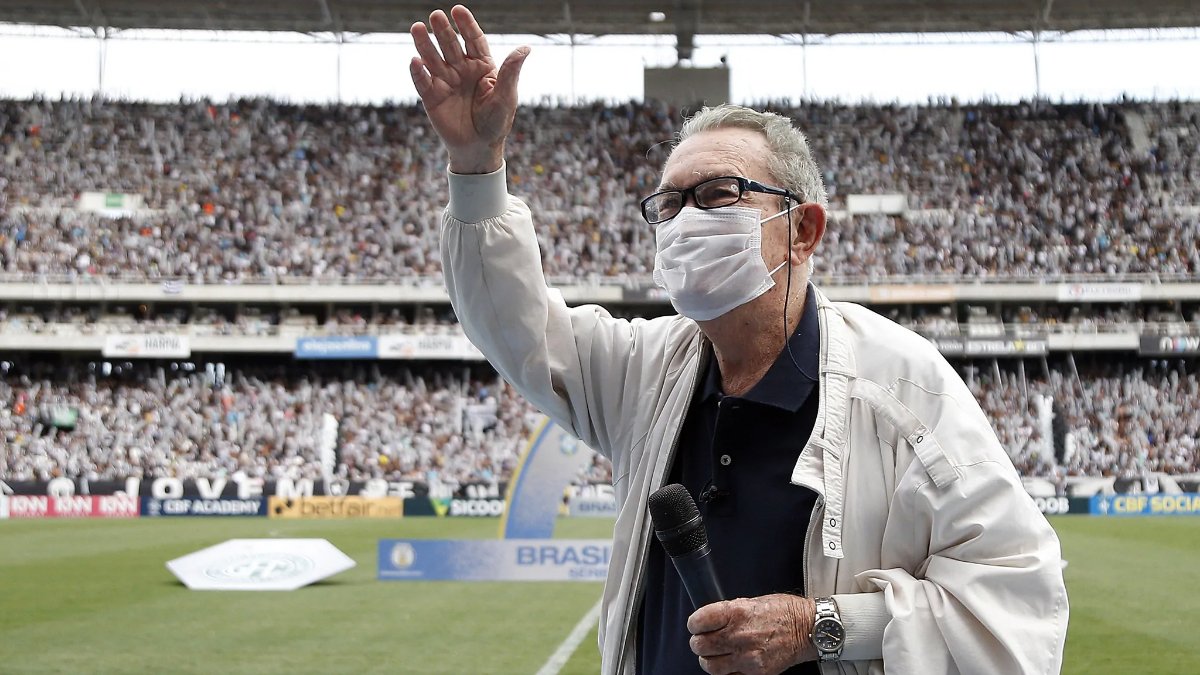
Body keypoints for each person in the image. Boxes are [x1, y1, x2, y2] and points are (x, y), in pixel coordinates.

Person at [410, 6, 1069, 674]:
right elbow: (515, 328)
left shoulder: (903, 385)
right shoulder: (646, 370)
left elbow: (1018, 605)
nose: (684, 221)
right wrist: (475, 163)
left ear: (805, 230)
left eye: (718, 193)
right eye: (667, 205)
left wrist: (821, 626)